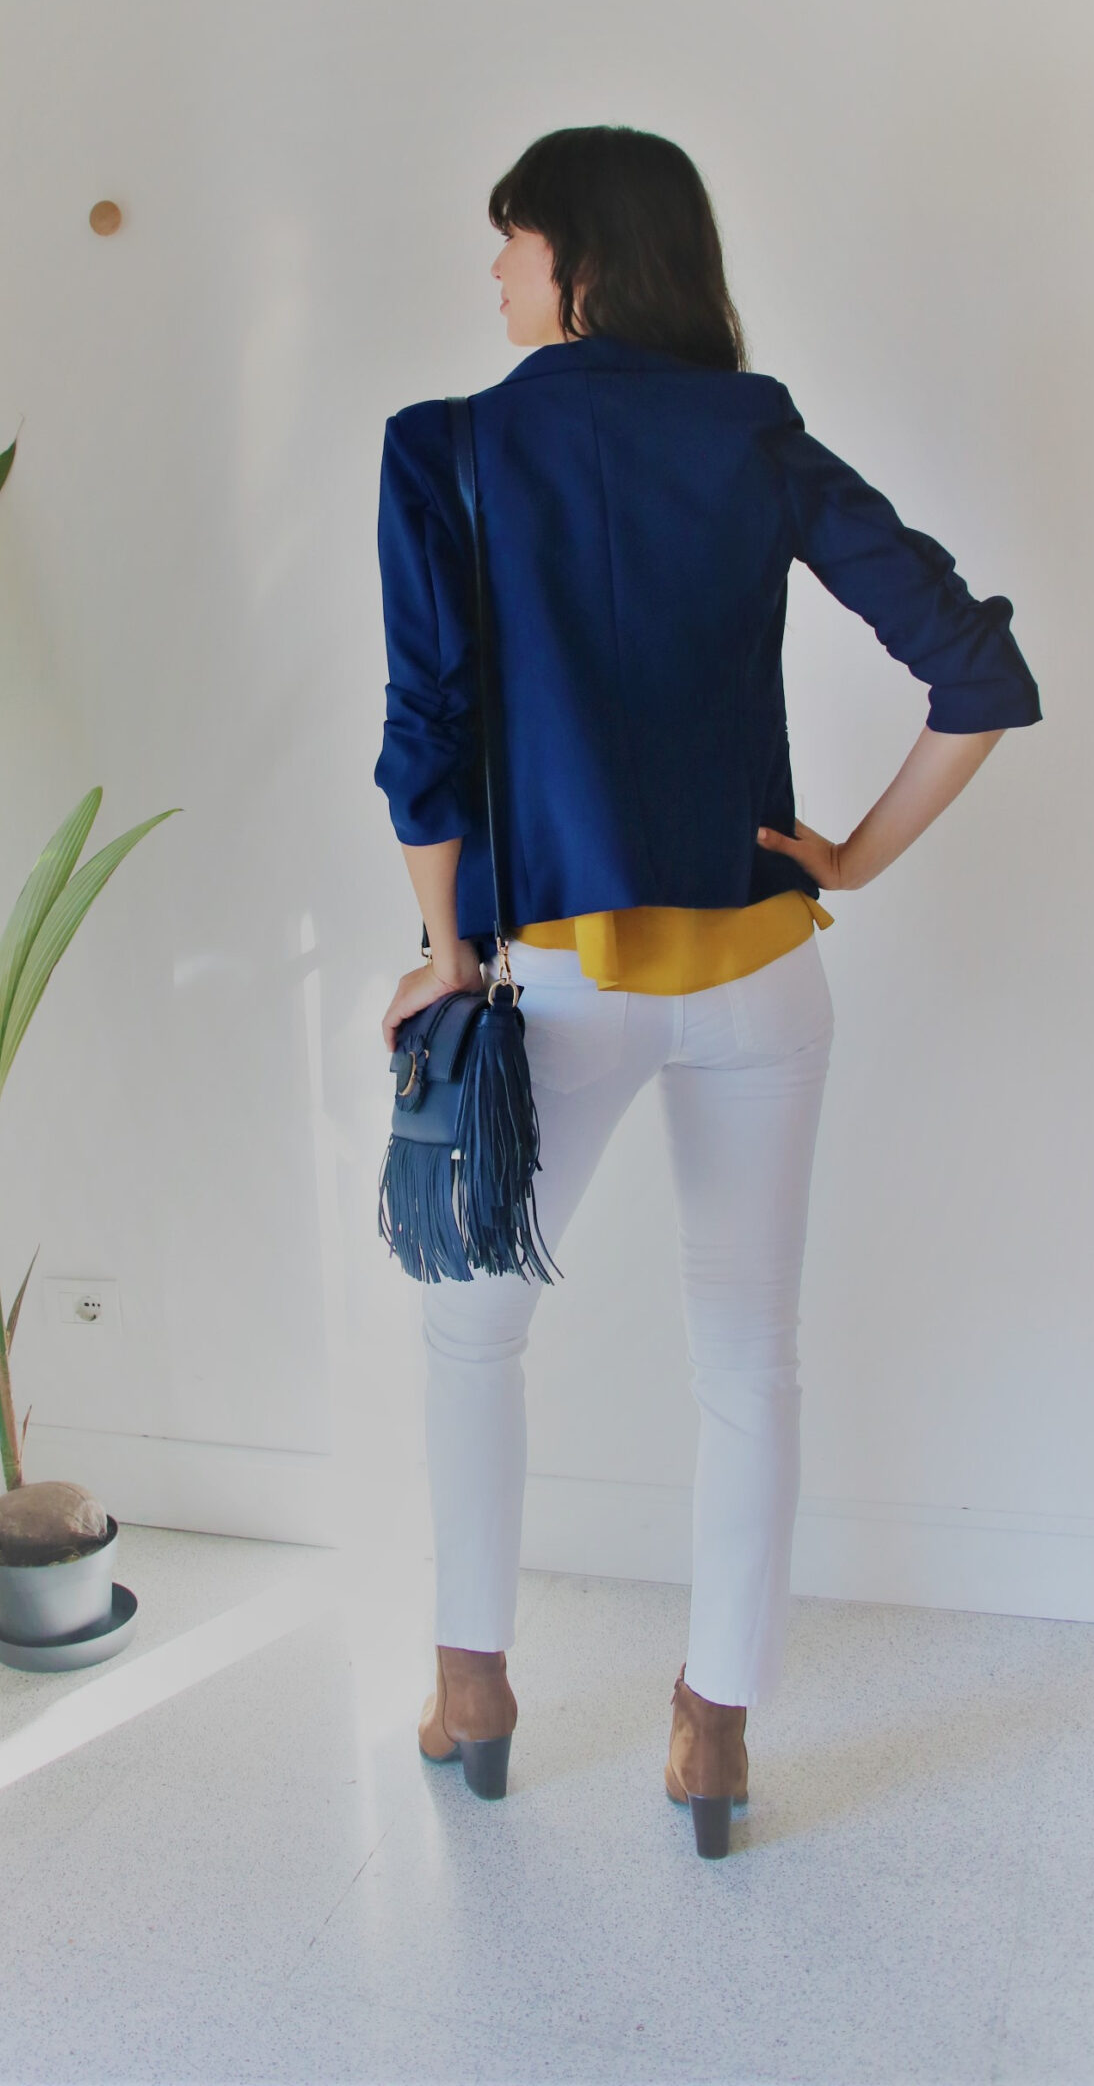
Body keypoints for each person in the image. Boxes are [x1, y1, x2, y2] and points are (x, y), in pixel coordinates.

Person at [372, 125, 1040, 1859]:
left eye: (513, 242)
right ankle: (714, 1729)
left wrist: (445, 953)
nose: (496, 272)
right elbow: (976, 673)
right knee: (751, 1356)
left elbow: (426, 737)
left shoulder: (447, 449)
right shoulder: (752, 433)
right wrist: (853, 859)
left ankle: (472, 1688)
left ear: (581, 261)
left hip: (558, 986)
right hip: (761, 977)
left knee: (474, 1329)